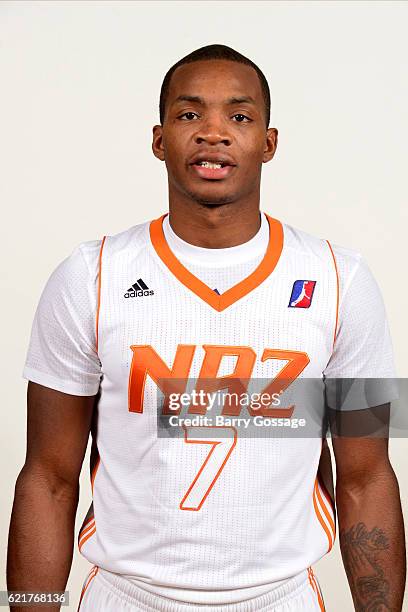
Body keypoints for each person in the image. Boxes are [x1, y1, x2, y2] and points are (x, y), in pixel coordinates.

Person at [8, 44, 405, 612]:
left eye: (239, 116)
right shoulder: (89, 275)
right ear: (158, 139)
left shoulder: (343, 279)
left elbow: (368, 477)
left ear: (269, 143)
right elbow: (47, 478)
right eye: (189, 114)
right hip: (125, 596)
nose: (213, 132)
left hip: (281, 597)